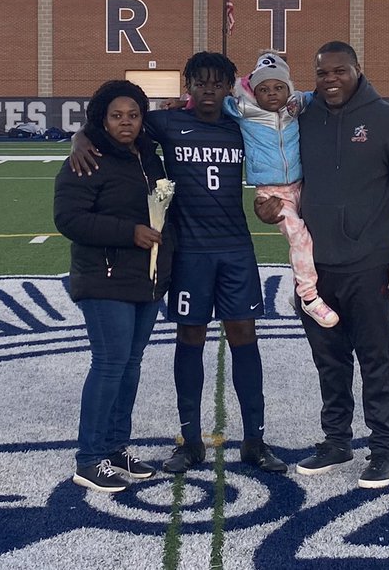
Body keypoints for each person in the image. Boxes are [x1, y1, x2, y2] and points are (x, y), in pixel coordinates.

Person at [70, 52, 287, 477]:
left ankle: (255, 441)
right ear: (188, 86)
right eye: (200, 83)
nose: (208, 91)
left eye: (217, 84)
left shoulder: (243, 124)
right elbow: (116, 126)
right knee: (190, 337)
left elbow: (285, 133)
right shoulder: (165, 123)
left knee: (245, 336)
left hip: (235, 249)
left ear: (230, 88)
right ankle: (190, 442)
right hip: (188, 251)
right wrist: (80, 136)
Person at [256, 41, 389, 490]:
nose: (330, 80)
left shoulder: (388, 121)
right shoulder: (304, 117)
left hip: (370, 264)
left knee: (375, 359)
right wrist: (270, 206)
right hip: (317, 269)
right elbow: (280, 169)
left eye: (339, 71)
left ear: (357, 69)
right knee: (329, 361)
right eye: (322, 73)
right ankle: (337, 440)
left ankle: (383, 447)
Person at [54, 81, 172, 493]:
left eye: (134, 115)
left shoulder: (148, 157)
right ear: (101, 118)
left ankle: (115, 446)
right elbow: (68, 219)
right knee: (109, 363)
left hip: (145, 279)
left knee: (131, 363)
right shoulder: (87, 159)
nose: (126, 122)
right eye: (117, 115)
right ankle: (88, 458)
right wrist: (129, 232)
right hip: (103, 278)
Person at [224, 52, 338, 328]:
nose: (271, 94)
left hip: (301, 186)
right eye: (263, 89)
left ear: (288, 88)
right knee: (299, 236)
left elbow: (316, 94)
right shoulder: (243, 111)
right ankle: (309, 298)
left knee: (317, 238)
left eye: (278, 87)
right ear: (254, 91)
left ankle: (300, 294)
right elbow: (214, 102)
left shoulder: (294, 107)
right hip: (271, 193)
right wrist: (182, 103)